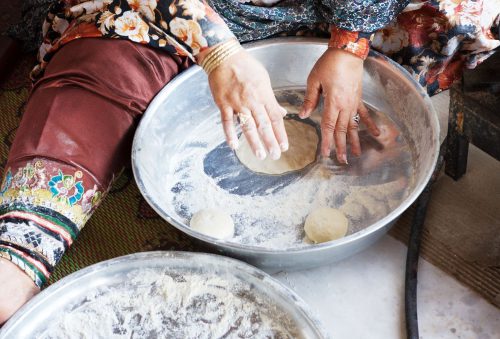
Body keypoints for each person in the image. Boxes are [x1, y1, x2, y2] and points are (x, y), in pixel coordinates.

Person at [0, 0, 498, 324]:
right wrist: (218, 54)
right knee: (103, 69)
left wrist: (350, 44)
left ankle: (370, 80)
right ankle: (19, 251)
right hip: (189, 12)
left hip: (331, 8)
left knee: (462, 10)